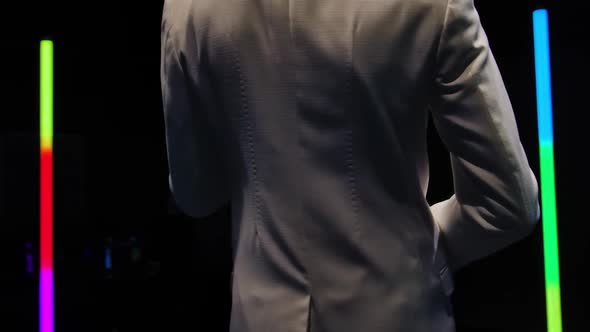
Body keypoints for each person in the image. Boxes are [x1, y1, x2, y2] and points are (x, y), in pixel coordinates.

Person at [160, 0, 540, 331]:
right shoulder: (434, 3)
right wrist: (417, 249)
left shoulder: (188, 6)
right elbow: (508, 203)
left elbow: (197, 194)